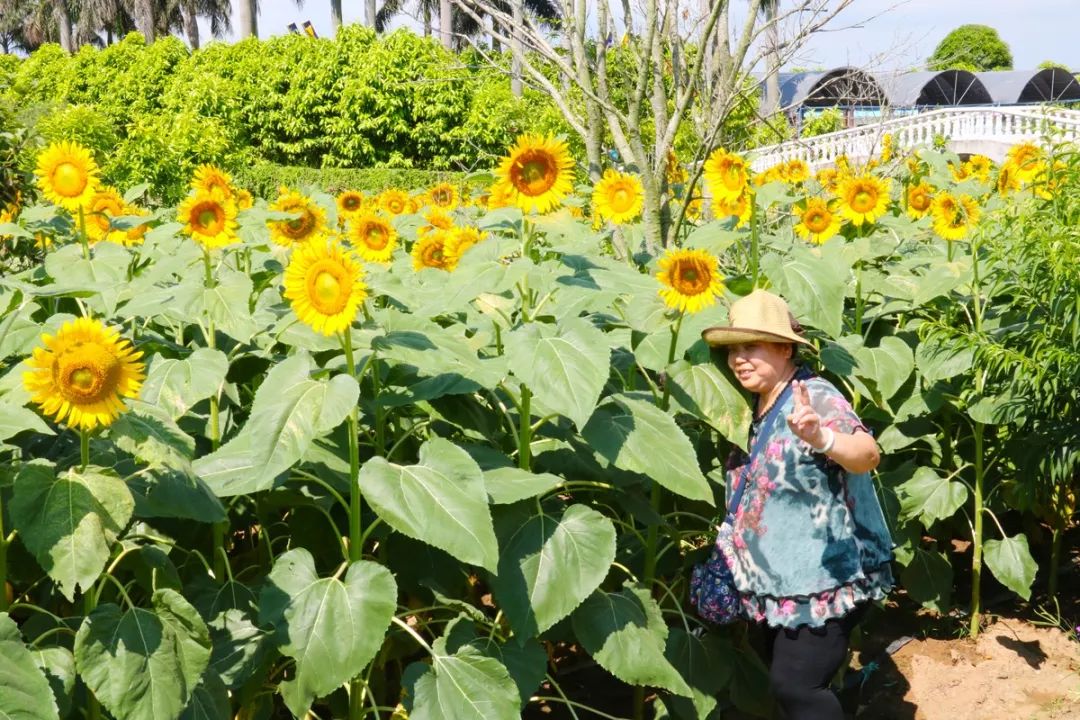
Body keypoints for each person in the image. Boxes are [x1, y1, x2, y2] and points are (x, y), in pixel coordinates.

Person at [701, 289, 894, 720]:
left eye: (751, 346)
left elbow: (867, 454)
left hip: (823, 578)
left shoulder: (814, 395)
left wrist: (820, 437)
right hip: (775, 581)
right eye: (733, 349)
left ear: (785, 348)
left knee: (797, 686)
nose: (739, 359)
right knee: (788, 681)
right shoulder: (749, 406)